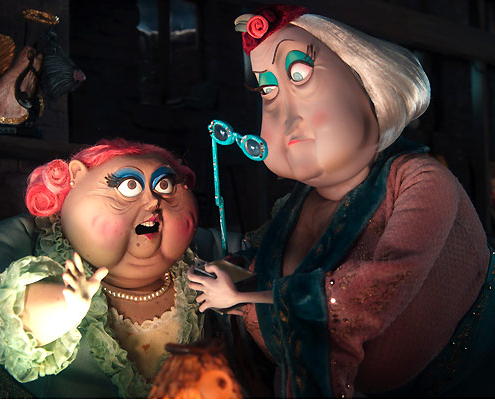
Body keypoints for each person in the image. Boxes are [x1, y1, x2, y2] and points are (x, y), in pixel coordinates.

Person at [187, 4, 495, 398]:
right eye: (268, 89)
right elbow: (265, 263)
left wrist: (244, 298)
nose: (286, 115)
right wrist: (231, 273)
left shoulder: (421, 181)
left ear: (367, 82)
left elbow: (373, 293)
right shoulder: (298, 204)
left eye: (300, 75)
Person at [0, 138, 206, 398]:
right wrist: (56, 308)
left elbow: (232, 248)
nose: (152, 202)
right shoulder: (31, 236)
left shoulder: (196, 252)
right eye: (130, 186)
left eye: (165, 185)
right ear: (76, 177)